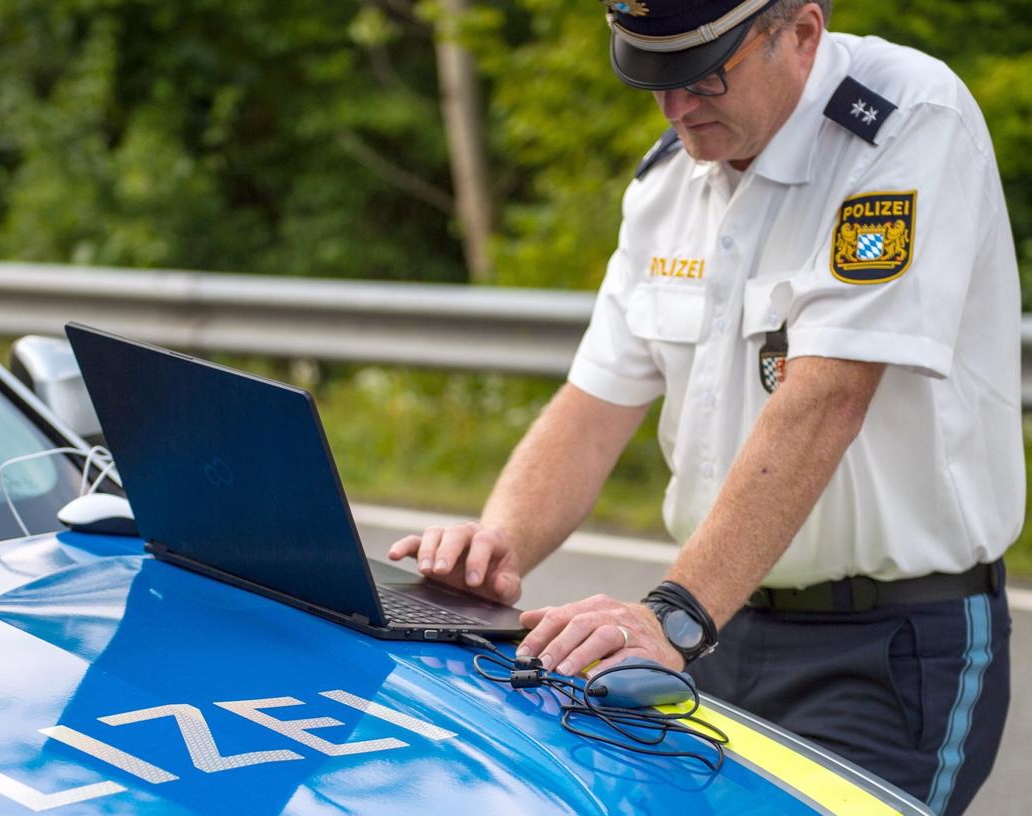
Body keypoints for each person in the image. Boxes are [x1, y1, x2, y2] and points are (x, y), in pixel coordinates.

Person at [388, 1, 1020, 813]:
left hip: (884, 647)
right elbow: (594, 401)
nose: (677, 107)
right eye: (653, 79)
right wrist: (498, 544)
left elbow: (826, 394)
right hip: (719, 624)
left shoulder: (906, 123)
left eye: (703, 75)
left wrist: (673, 618)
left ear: (800, 33)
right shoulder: (666, 179)